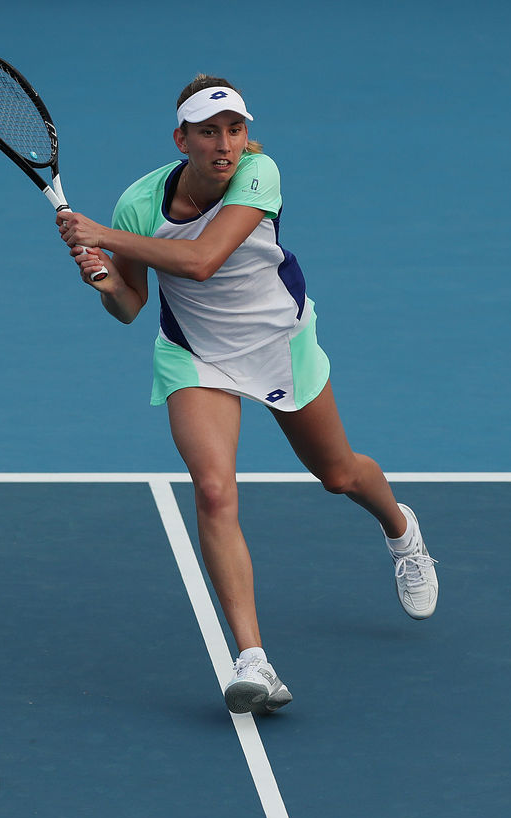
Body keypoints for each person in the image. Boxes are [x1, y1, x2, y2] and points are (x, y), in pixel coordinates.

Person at [56, 75, 438, 715]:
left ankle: (402, 532)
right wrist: (104, 283)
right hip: (196, 353)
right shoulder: (137, 204)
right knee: (213, 490)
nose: (225, 144)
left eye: (234, 129)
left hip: (278, 343)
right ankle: (254, 662)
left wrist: (103, 237)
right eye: (208, 132)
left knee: (339, 475)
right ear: (181, 140)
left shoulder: (260, 174)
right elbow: (130, 307)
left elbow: (202, 261)